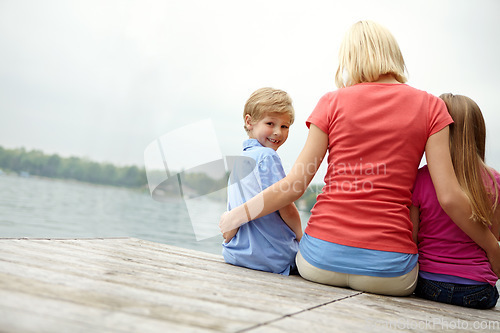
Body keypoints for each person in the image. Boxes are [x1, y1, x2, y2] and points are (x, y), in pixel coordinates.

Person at [220, 20, 500, 296]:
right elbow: (449, 197)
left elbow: (295, 184)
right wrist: (492, 247)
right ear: (393, 54)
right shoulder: (432, 107)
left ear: (350, 59)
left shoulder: (330, 102)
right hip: (390, 272)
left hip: (318, 261)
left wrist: (237, 216)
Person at [411, 93, 500, 309]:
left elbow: (411, 238)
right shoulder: (494, 181)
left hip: (428, 283)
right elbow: (495, 234)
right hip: (478, 289)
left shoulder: (421, 178)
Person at [222, 87, 302, 275]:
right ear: (249, 122)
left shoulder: (241, 160)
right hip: (272, 256)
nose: (278, 132)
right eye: (270, 123)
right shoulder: (267, 156)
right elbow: (286, 206)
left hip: (236, 253)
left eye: (284, 126)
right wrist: (302, 239)